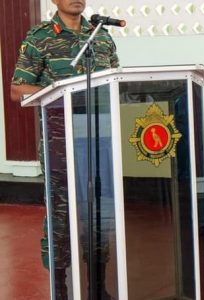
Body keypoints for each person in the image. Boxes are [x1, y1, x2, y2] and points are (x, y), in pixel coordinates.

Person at [10, 0, 119, 298]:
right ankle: (60, 286)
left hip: (100, 139)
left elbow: (116, 82)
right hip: (60, 141)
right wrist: (62, 90)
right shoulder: (40, 37)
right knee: (62, 212)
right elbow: (18, 89)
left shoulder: (101, 36)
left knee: (101, 209)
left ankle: (98, 286)